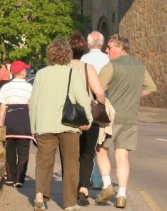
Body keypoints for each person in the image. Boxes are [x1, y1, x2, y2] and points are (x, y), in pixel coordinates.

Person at [30, 39, 93, 211]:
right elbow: (83, 100)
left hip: (44, 124)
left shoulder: (41, 74)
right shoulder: (73, 73)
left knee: (44, 162)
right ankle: (70, 203)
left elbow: (33, 102)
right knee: (71, 163)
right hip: (69, 125)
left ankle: (39, 196)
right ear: (68, 55)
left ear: (50, 55)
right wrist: (88, 120)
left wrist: (33, 128)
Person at [95, 35, 157, 209]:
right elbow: (150, 88)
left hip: (110, 118)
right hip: (130, 117)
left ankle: (107, 185)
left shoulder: (111, 66)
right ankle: (121, 195)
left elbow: (98, 90)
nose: (106, 50)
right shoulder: (139, 66)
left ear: (119, 47)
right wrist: (133, 95)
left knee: (101, 149)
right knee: (122, 156)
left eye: (109, 47)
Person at [68, 32, 107, 206]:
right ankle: (84, 187)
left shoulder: (61, 68)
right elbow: (99, 93)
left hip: (66, 115)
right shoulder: (87, 67)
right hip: (86, 114)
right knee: (87, 153)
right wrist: (101, 105)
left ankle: (70, 188)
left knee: (69, 154)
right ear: (83, 48)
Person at [0, 59, 35, 188]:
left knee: (10, 152)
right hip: (24, 120)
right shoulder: (30, 87)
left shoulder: (6, 87)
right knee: (23, 151)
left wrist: (1, 122)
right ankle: (19, 178)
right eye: (25, 70)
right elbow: (32, 106)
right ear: (22, 73)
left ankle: (10, 177)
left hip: (10, 121)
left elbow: (3, 105)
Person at [81, 30, 109, 189]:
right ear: (102, 44)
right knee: (101, 143)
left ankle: (86, 177)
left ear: (88, 43)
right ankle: (98, 180)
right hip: (103, 103)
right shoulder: (108, 59)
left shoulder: (83, 60)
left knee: (86, 144)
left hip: (85, 104)